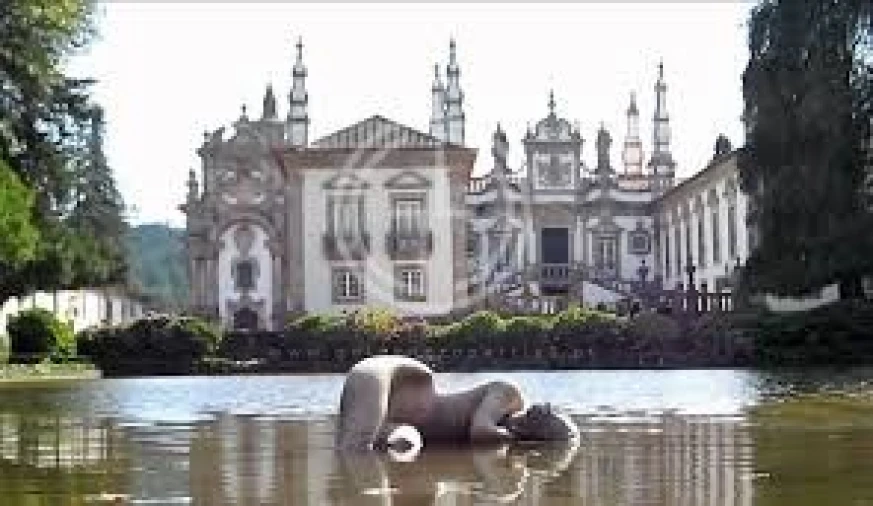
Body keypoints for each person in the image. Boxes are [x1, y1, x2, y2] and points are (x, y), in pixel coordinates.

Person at [336, 355, 578, 453]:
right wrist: (516, 440)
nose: (545, 408)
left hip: (400, 422)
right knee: (356, 447)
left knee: (406, 444)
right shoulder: (510, 394)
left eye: (549, 416)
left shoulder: (505, 433)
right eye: (549, 409)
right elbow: (480, 431)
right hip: (391, 379)